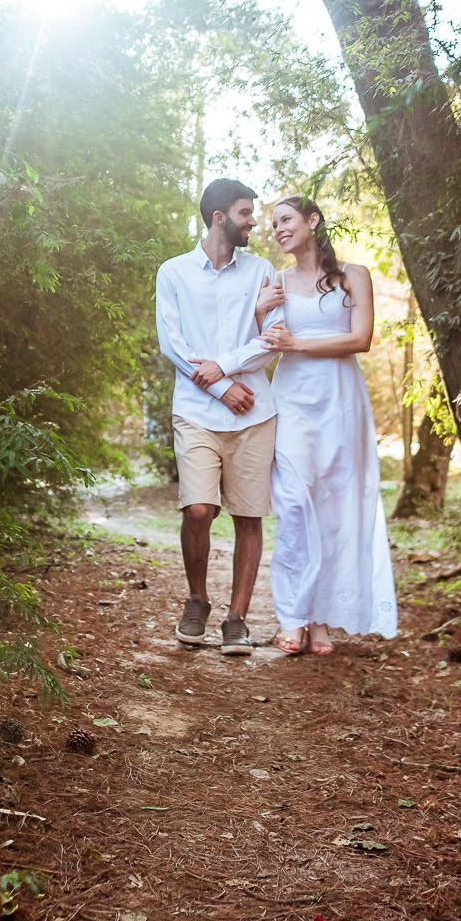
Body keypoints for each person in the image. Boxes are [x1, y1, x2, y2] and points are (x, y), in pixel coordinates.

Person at [255, 196, 397, 653]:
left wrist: (297, 343)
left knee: (335, 506)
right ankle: (292, 615)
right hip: (292, 400)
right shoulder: (273, 283)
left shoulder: (353, 275)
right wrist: (261, 313)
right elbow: (265, 344)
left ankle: (321, 620)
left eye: (285, 219)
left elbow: (361, 339)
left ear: (312, 221)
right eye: (273, 223)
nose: (277, 229)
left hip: (340, 400)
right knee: (294, 505)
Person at [154, 178, 279, 655]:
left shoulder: (262, 270)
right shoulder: (174, 272)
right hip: (197, 410)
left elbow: (272, 336)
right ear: (220, 217)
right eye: (247, 213)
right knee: (200, 509)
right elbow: (173, 343)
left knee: (249, 516)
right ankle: (197, 600)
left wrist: (225, 368)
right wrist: (223, 387)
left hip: (254, 413)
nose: (254, 221)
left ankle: (237, 619)